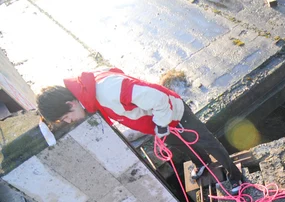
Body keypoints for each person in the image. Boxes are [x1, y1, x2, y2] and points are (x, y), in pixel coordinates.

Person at [36, 68, 243, 193]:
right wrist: (159, 128)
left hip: (174, 114)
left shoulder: (108, 91)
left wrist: (162, 127)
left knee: (207, 143)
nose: (70, 122)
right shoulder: (88, 91)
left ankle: (236, 177)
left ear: (70, 103)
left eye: (66, 118)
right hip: (158, 123)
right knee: (182, 145)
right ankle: (203, 163)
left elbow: (159, 99)